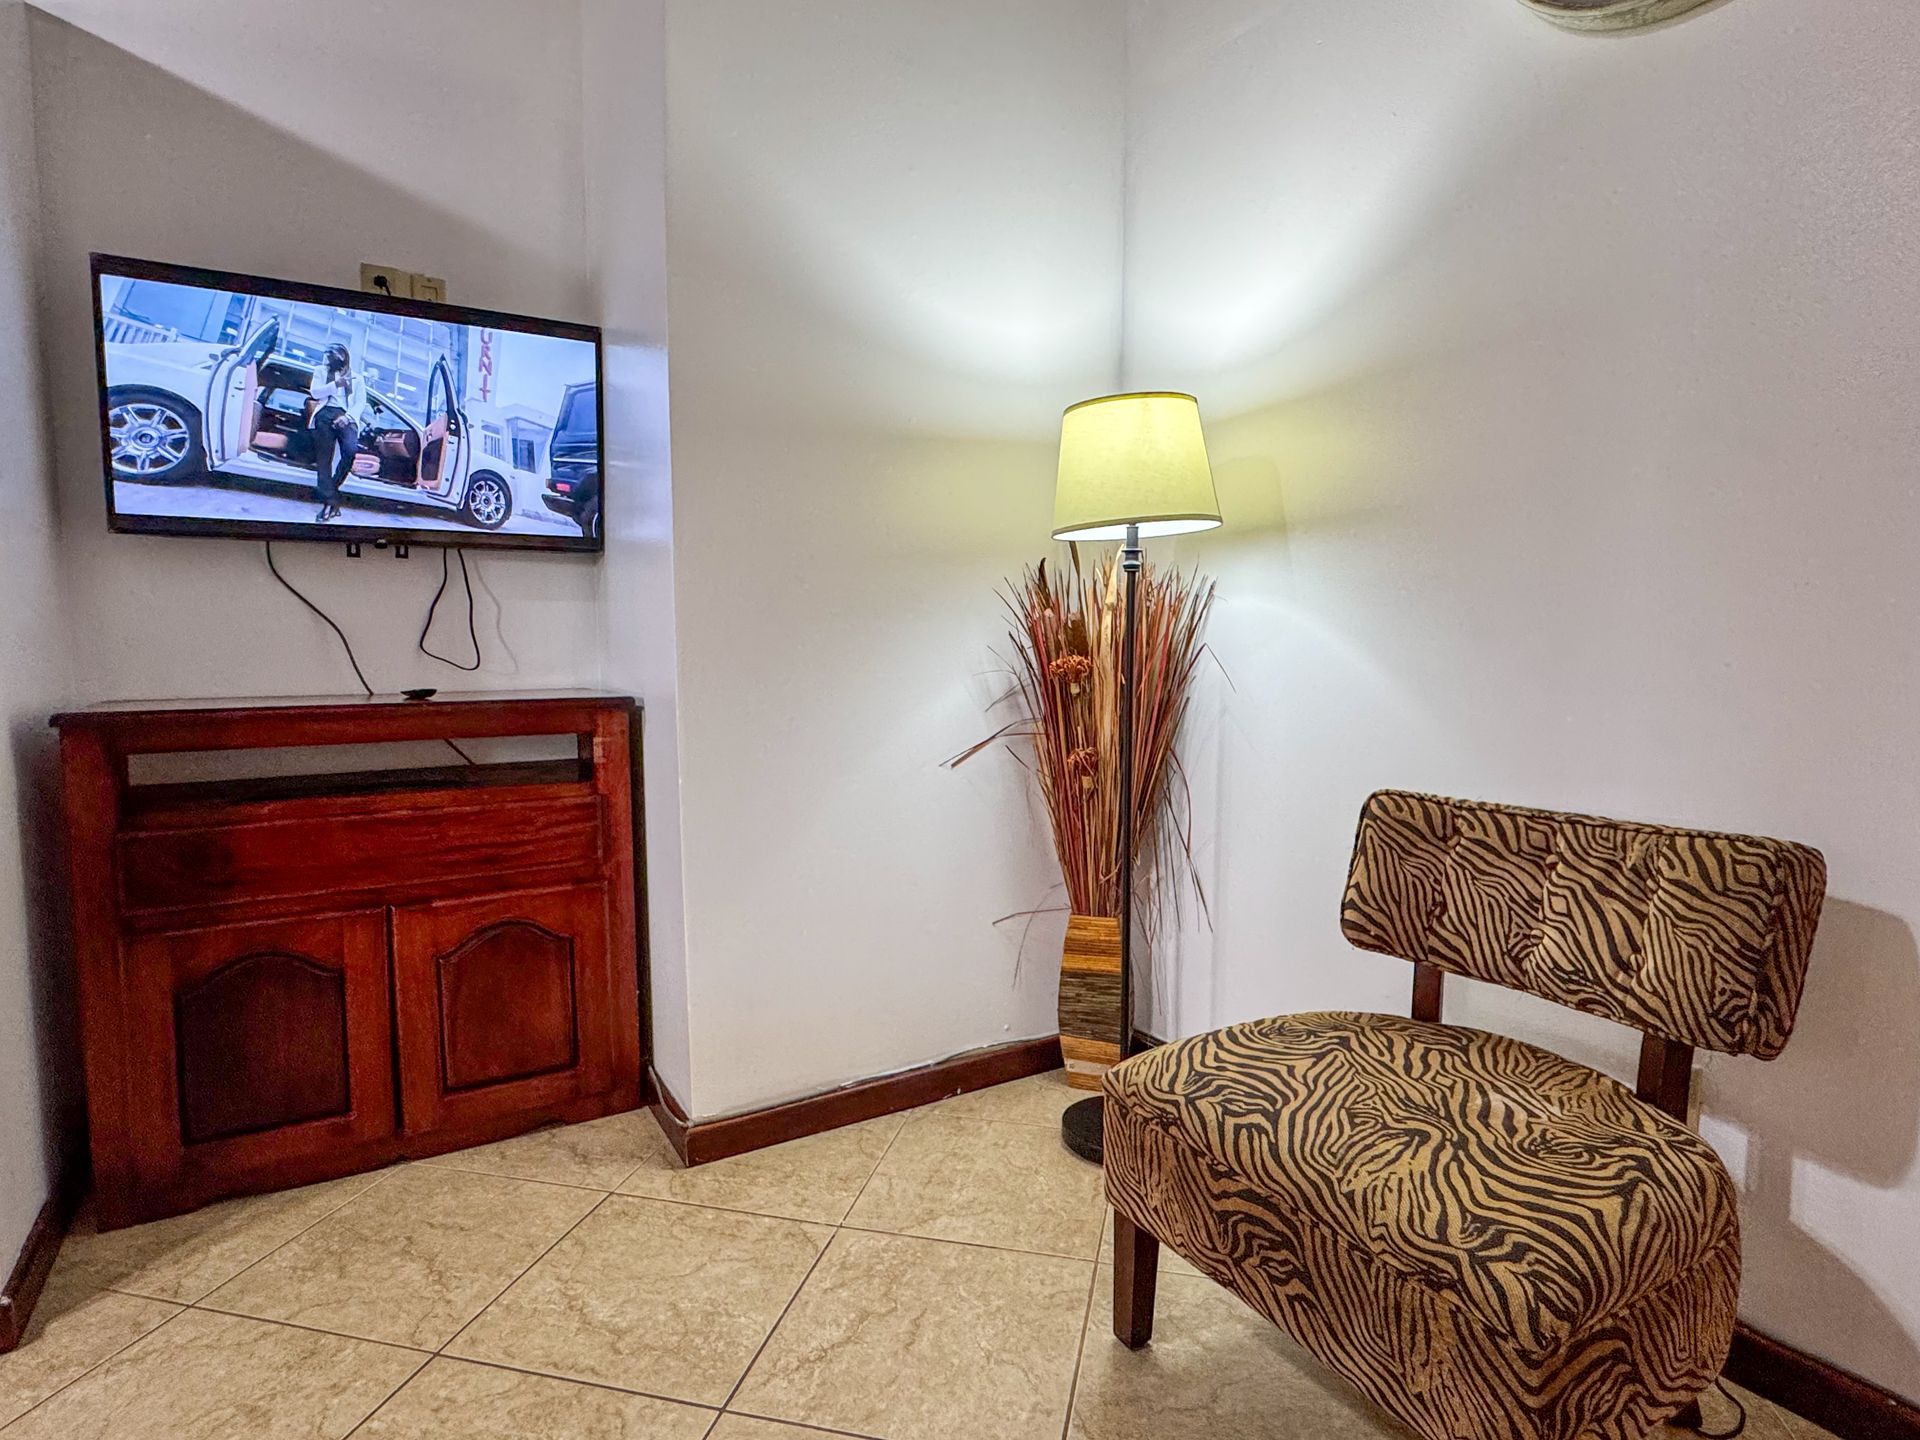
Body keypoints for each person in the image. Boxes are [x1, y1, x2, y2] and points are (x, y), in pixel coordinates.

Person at [308, 343, 365, 522]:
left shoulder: (357, 378)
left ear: (343, 357)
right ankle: (331, 502)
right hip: (325, 414)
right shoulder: (320, 371)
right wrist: (335, 384)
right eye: (328, 356)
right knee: (325, 457)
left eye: (334, 356)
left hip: (346, 415)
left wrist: (347, 418)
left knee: (350, 451)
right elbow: (315, 393)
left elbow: (360, 403)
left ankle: (330, 489)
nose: (330, 359)